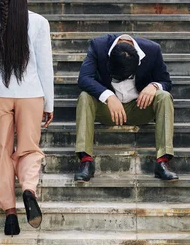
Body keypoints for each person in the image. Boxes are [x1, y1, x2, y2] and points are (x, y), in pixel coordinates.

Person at [0, 0, 54, 236]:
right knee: (29, 148)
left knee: (1, 153)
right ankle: (29, 190)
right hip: (31, 94)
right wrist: (49, 103)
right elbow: (45, 67)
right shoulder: (39, 23)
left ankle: (10, 213)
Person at [74, 34, 178, 182]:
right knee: (85, 96)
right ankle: (86, 161)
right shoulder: (98, 46)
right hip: (108, 110)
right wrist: (108, 96)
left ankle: (163, 161)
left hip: (139, 108)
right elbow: (84, 78)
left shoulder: (153, 50)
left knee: (164, 97)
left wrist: (154, 86)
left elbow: (166, 81)